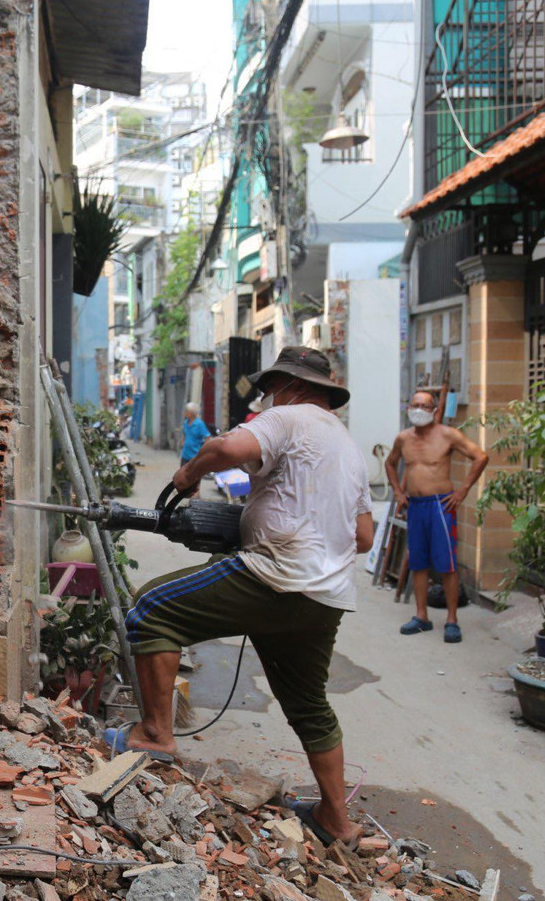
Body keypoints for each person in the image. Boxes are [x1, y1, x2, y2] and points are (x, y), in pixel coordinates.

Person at [105, 346, 373, 848]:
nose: (270, 396)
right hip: (325, 595)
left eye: (273, 388)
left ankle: (156, 734)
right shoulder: (348, 447)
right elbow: (363, 537)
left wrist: (189, 473)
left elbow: (226, 450)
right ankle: (337, 821)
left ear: (290, 385)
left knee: (151, 609)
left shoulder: (287, 417)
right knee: (309, 705)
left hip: (275, 574)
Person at [384, 390, 489, 643]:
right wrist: (398, 492)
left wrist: (463, 490)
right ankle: (422, 616)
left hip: (441, 505)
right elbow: (390, 463)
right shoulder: (403, 438)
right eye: (415, 404)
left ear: (433, 410)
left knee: (446, 563)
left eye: (424, 405)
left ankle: (452, 620)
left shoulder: (447, 435)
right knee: (418, 561)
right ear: (409, 407)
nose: (419, 409)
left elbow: (480, 456)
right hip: (415, 505)